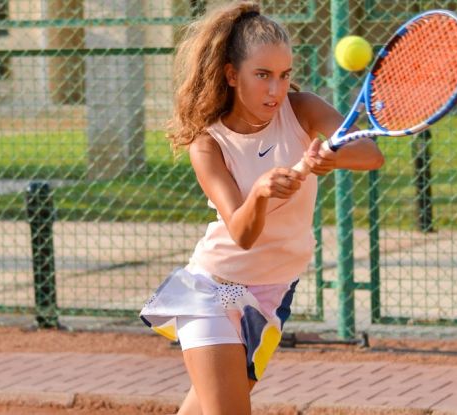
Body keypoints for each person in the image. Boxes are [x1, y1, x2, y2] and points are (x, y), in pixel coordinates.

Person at [140, 2, 384, 414]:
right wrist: (260, 193)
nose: (276, 89)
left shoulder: (302, 108)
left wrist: (334, 158)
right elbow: (242, 232)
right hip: (215, 288)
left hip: (273, 292)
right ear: (232, 75)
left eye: (284, 75)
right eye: (263, 75)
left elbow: (370, 153)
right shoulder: (208, 142)